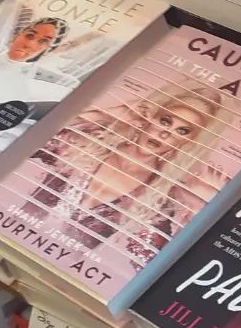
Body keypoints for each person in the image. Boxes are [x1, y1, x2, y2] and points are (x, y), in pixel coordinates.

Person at [28, 83, 225, 270]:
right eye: (165, 121)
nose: (165, 133)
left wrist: (199, 210)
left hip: (60, 273)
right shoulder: (84, 145)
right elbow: (28, 137)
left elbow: (150, 265)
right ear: (149, 118)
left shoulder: (157, 199)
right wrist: (103, 115)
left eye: (182, 131)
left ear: (189, 141)